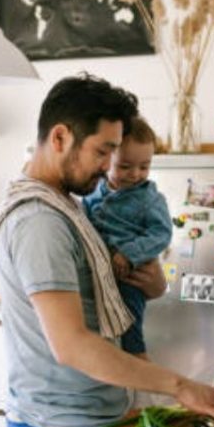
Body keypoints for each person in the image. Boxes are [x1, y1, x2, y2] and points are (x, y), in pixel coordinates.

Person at [0, 74, 214, 427]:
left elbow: (105, 287)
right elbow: (71, 345)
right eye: (103, 151)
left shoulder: (69, 204)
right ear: (61, 137)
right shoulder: (39, 222)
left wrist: (154, 283)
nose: (109, 166)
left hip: (94, 413)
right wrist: (179, 386)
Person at [82, 116, 172, 357]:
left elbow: (161, 234)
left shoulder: (149, 199)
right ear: (106, 160)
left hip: (130, 276)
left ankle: (137, 360)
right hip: (99, 277)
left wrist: (129, 254)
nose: (135, 174)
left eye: (144, 167)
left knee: (129, 326)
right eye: (125, 166)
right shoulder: (92, 193)